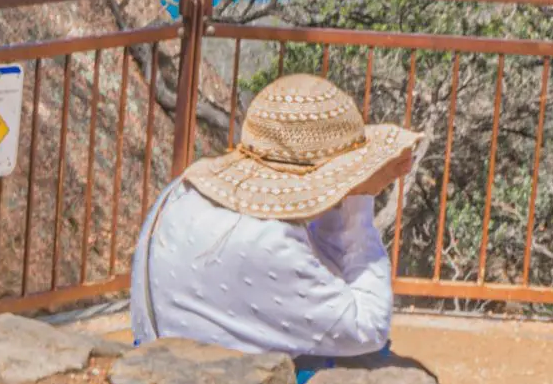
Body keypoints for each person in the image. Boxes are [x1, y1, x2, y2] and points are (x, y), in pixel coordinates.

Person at [129, 72, 422, 360]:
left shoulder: (180, 191)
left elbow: (321, 279)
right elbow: (368, 327)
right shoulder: (272, 240)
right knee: (374, 358)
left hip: (158, 356)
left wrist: (347, 191)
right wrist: (357, 199)